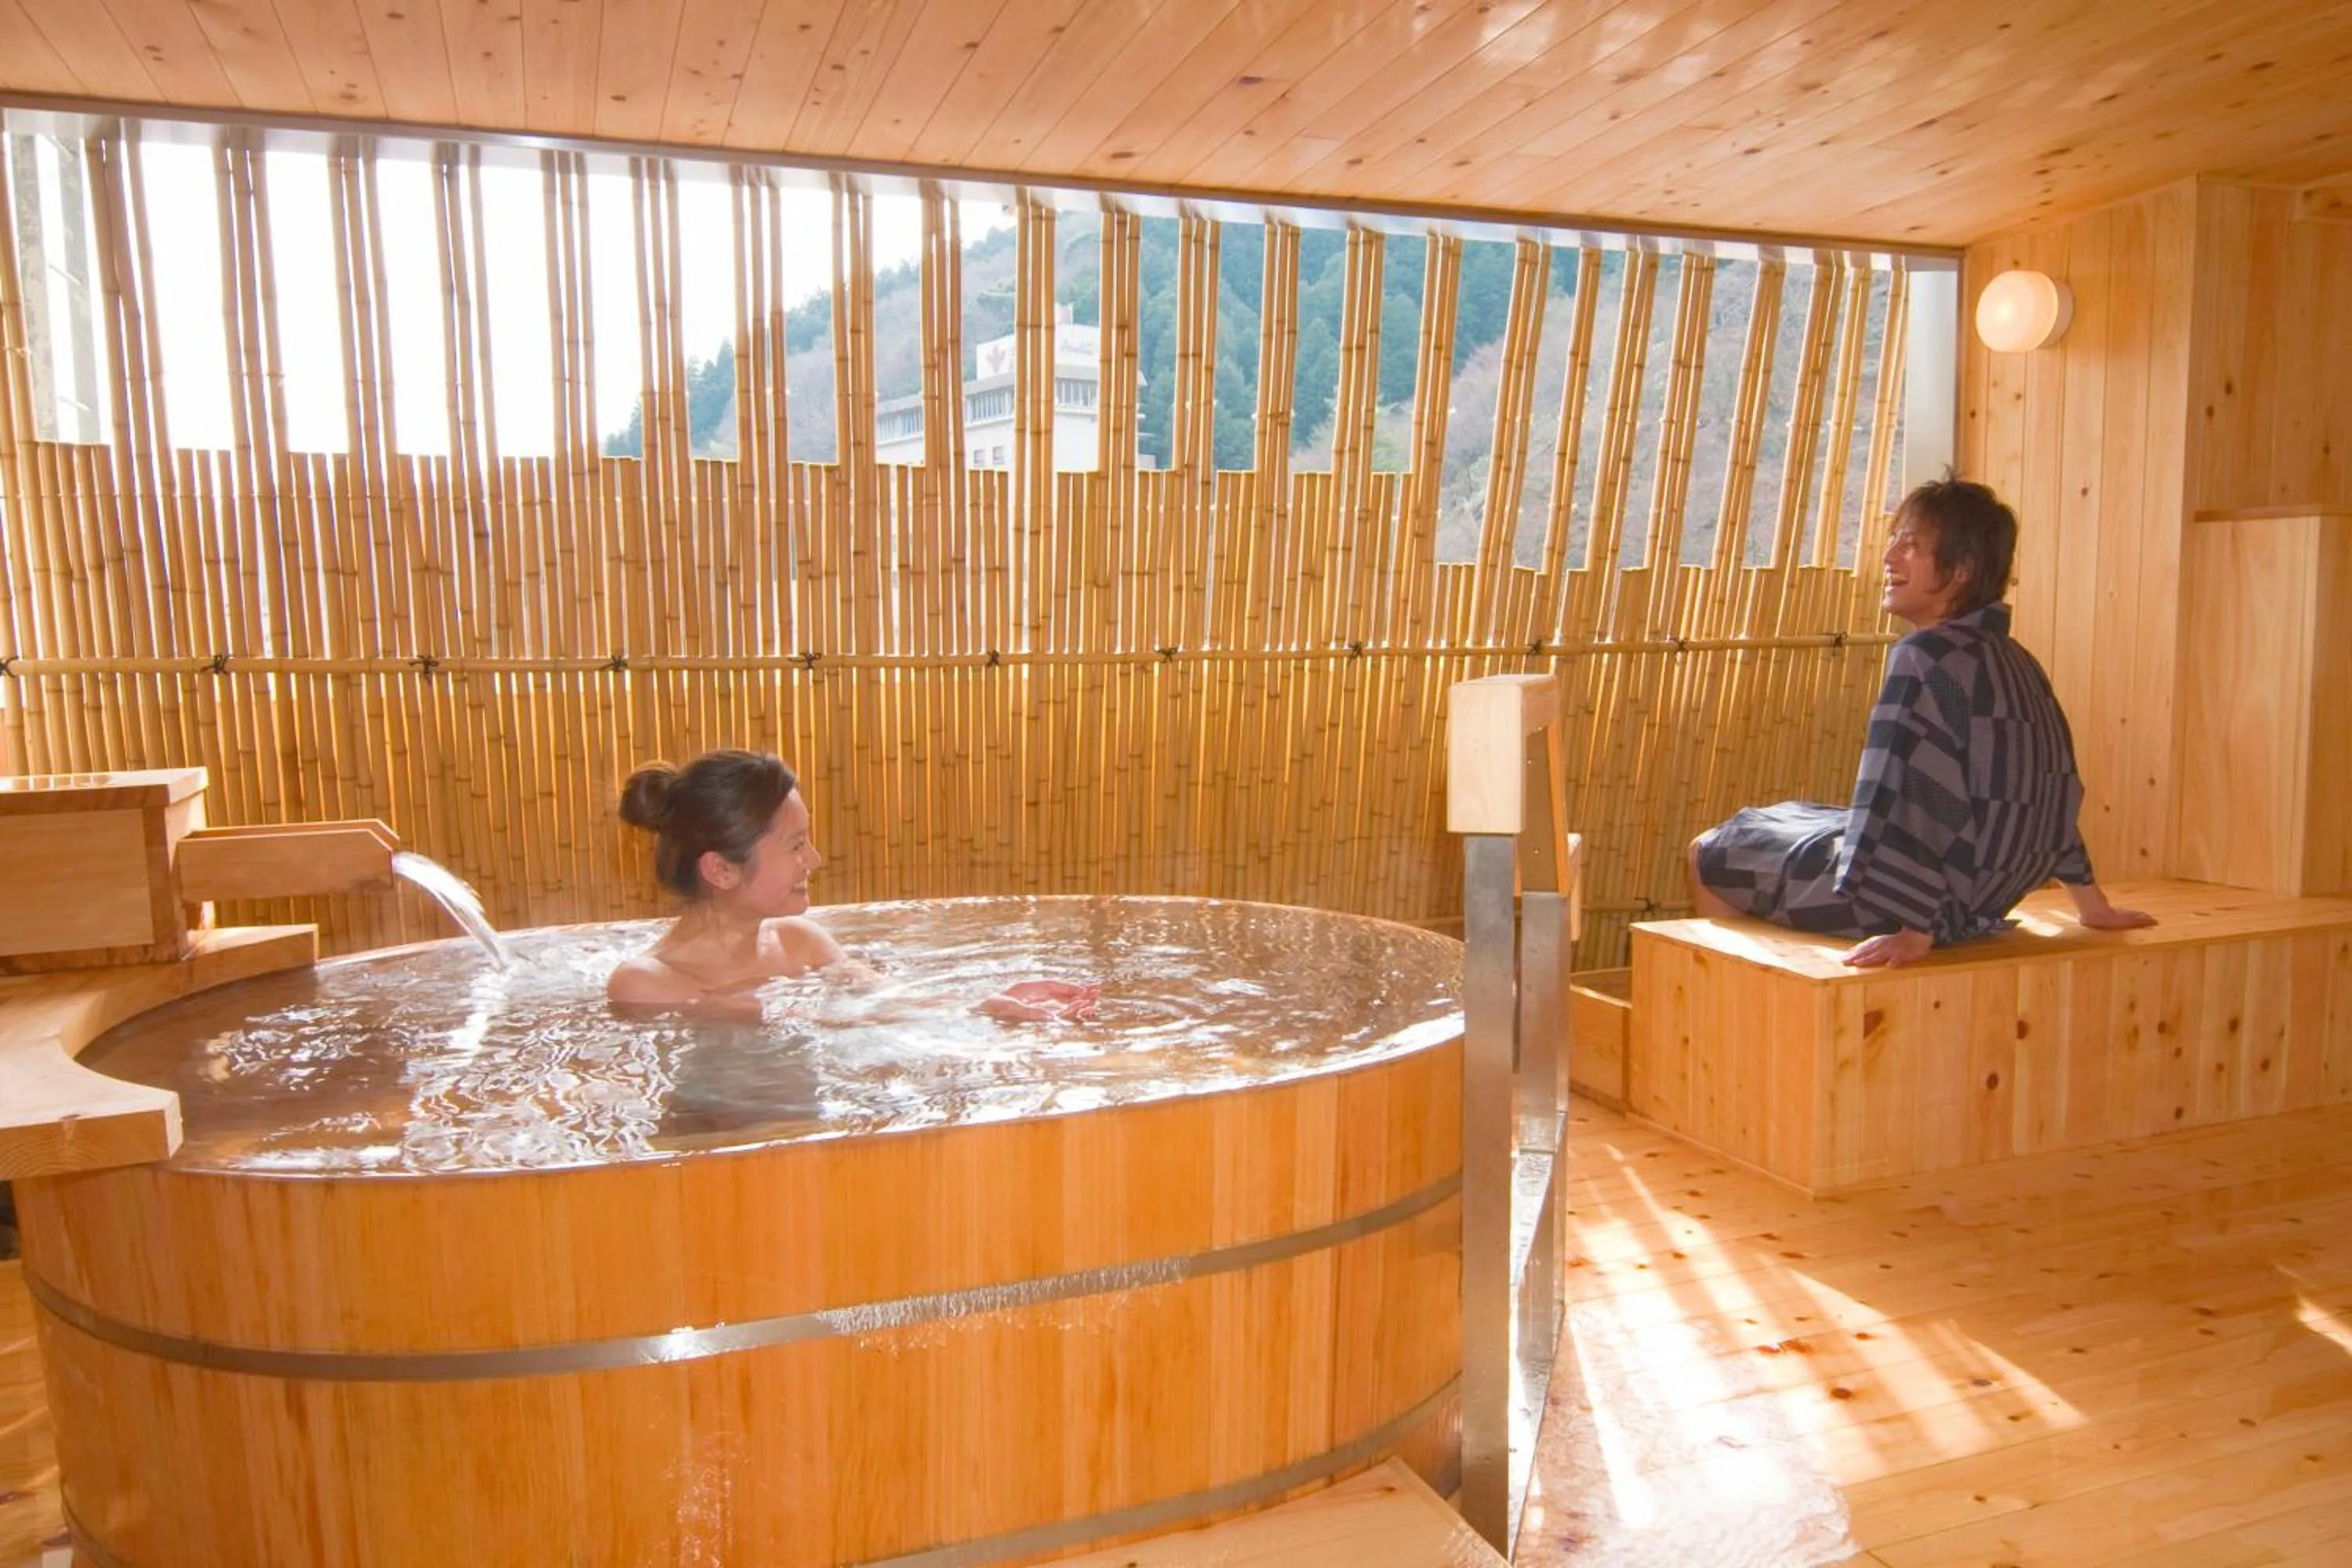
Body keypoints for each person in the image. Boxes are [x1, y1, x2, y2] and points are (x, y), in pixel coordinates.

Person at [1688, 477, 2154, 969]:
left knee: (1712, 851)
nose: (1890, 557)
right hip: (1987, 892)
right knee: (1786, 815)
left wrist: (1916, 929)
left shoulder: (1922, 658)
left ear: (1960, 572)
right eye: (1894, 540)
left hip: (1908, 902)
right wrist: (2091, 904)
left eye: (1910, 546)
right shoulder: (2015, 658)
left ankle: (1731, 1021)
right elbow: (2053, 787)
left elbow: (1917, 793)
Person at [607, 749, 1098, 1021]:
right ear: (721, 870)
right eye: (796, 846)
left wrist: (988, 1007)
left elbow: (890, 1001)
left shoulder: (802, 944)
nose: (814, 860)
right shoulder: (646, 984)